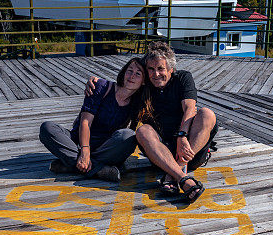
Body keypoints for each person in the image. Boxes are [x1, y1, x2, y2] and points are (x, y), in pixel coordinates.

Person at [86, 42, 217, 202]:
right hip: (161, 155)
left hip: (190, 151)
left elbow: (190, 108)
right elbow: (121, 87)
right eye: (151, 69)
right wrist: (96, 82)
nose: (156, 74)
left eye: (161, 69)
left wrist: (182, 136)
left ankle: (173, 173)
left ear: (171, 69)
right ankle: (182, 178)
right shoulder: (144, 87)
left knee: (207, 114)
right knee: (142, 130)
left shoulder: (182, 77)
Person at [39, 57, 148, 182]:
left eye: (138, 74)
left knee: (128, 136)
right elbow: (85, 122)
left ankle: (71, 164)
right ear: (124, 72)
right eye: (129, 71)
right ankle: (98, 170)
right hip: (78, 142)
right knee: (47, 128)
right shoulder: (102, 87)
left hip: (104, 150)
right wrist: (85, 151)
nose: (132, 76)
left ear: (144, 82)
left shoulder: (137, 102)